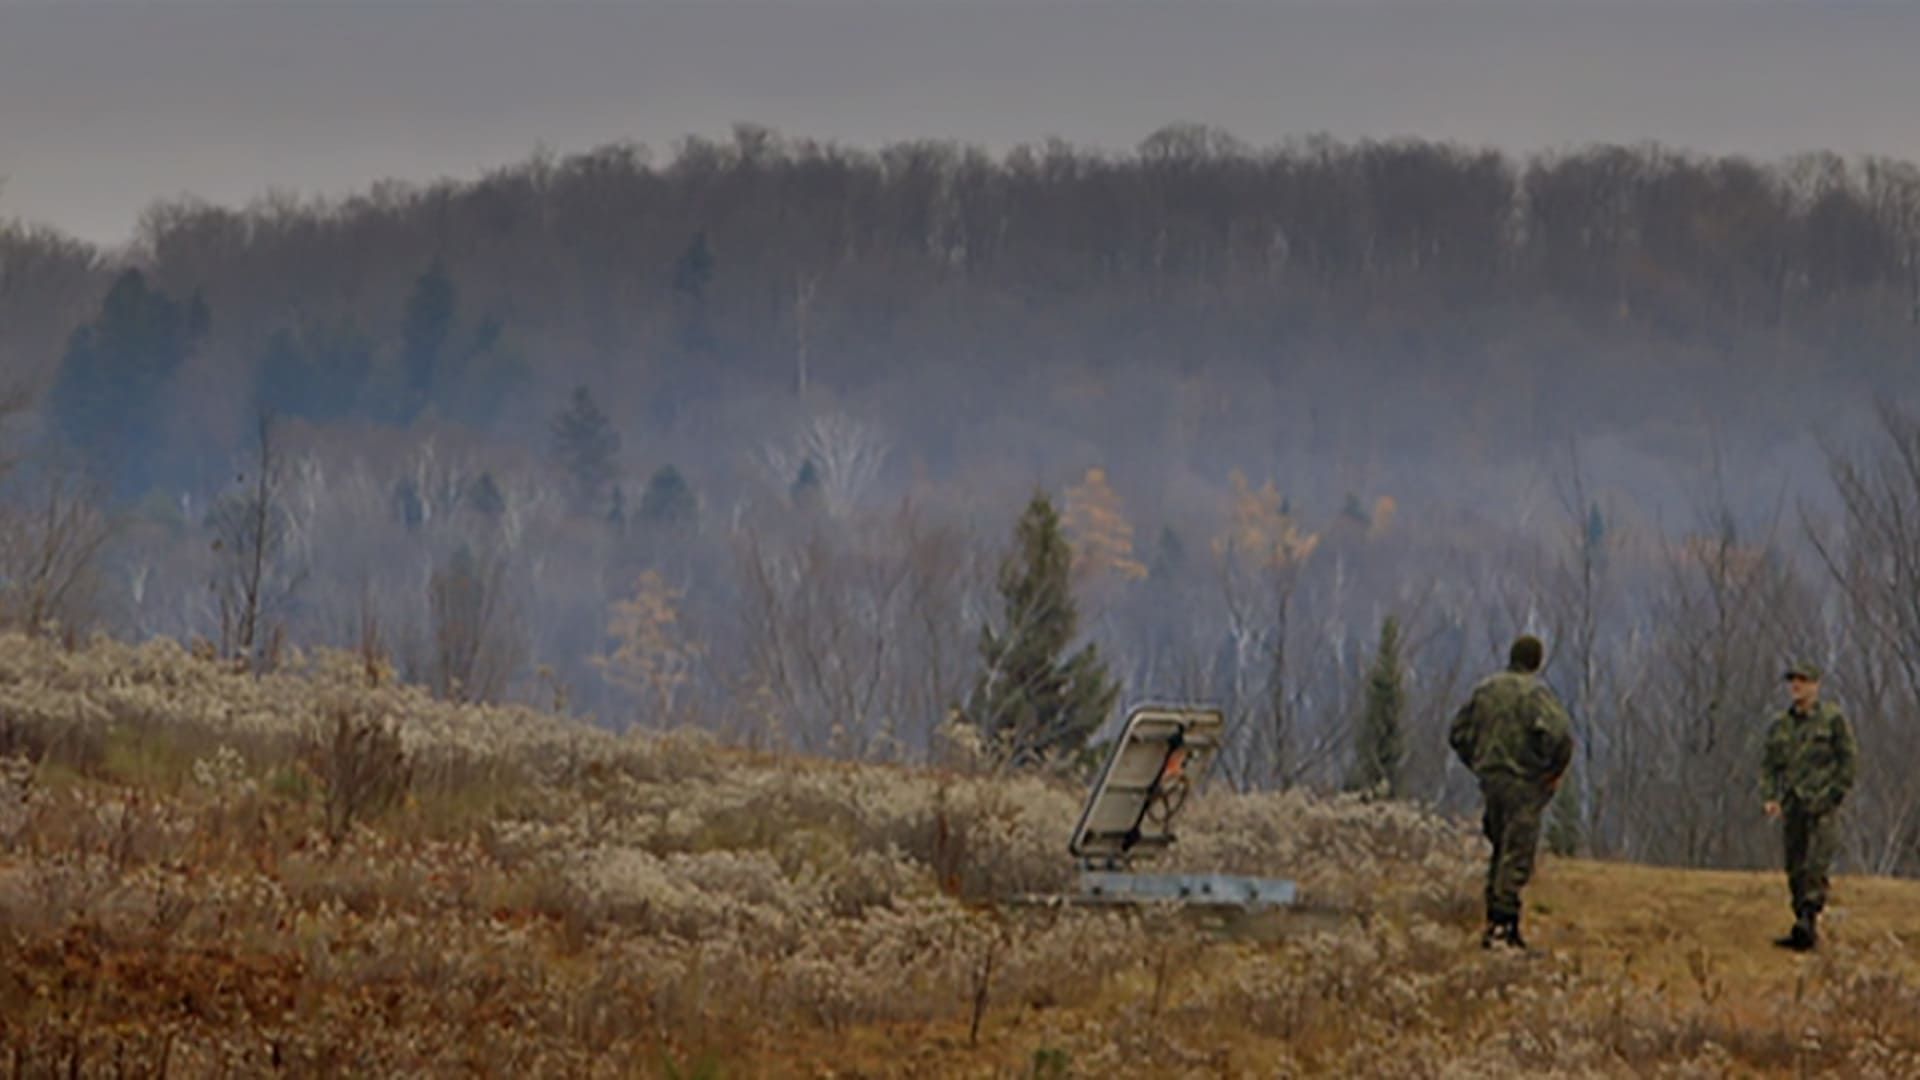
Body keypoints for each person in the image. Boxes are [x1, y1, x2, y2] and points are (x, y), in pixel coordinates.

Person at [1448, 634, 1573, 950]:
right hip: (1524, 783)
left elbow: (1457, 733)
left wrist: (1477, 762)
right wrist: (1550, 771)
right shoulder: (1536, 694)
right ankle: (1503, 930)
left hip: (1491, 781)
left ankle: (1496, 922)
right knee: (1516, 854)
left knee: (1501, 849)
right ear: (1537, 661)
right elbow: (1559, 735)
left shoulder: (1486, 689)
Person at [1761, 661, 1856, 952]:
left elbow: (1848, 758)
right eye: (1793, 681)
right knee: (1795, 866)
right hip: (1794, 805)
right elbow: (1770, 765)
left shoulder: (1832, 720)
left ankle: (1808, 918)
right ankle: (1802, 924)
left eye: (1802, 681)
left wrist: (1835, 792)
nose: (1796, 687)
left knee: (1817, 862)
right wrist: (1771, 796)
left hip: (1823, 803)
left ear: (1816, 685)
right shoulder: (1781, 725)